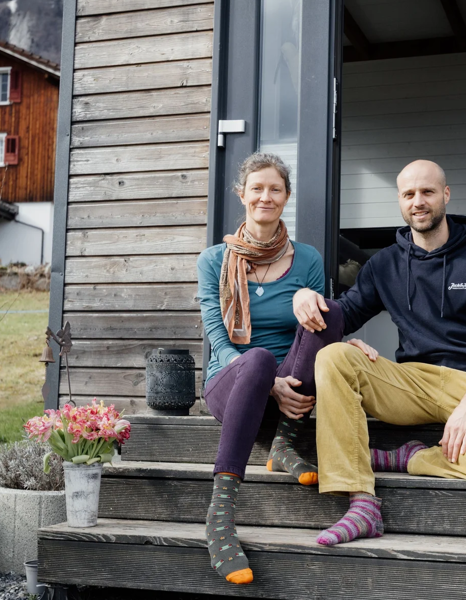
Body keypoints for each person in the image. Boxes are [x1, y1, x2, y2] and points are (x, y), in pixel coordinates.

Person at [291, 159, 466, 546]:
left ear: (445, 194)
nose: (418, 201)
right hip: (411, 383)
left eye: (427, 191)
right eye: (409, 194)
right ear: (400, 200)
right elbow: (345, 314)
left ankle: (409, 458)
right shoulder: (384, 264)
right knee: (333, 357)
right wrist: (305, 296)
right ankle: (361, 504)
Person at [196, 152, 359, 584]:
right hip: (232, 382)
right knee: (259, 358)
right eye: (257, 188)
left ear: (286, 197)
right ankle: (220, 516)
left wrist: (317, 309)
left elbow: (315, 330)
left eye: (275, 189)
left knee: (331, 311)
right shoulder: (213, 260)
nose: (265, 196)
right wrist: (268, 381)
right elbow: (217, 331)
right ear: (242, 195)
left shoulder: (306, 258)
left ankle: (284, 443)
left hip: (289, 382)